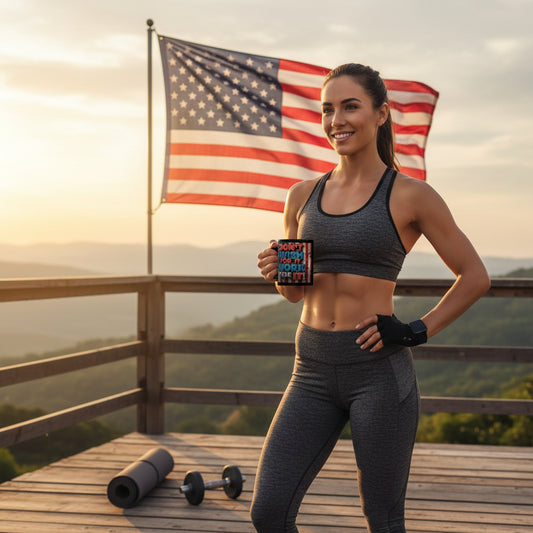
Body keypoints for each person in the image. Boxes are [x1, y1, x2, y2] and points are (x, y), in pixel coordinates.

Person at [251, 63, 490, 533]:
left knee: (382, 520)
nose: (336, 119)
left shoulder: (410, 196)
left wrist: (415, 330)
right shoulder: (301, 195)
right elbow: (293, 295)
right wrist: (280, 272)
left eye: (350, 106)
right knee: (269, 512)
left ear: (380, 115)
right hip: (311, 370)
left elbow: (474, 275)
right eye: (327, 109)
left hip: (377, 373)